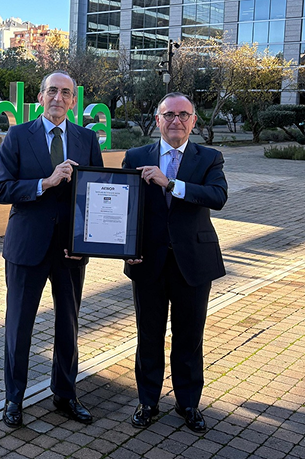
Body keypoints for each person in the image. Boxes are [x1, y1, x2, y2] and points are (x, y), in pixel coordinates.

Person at [0, 71, 104, 428]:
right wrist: (45, 182)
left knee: (69, 324)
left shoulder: (87, 139)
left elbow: (98, 193)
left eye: (65, 92)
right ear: (40, 97)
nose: (58, 97)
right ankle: (13, 398)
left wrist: (91, 240)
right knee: (19, 325)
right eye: (52, 90)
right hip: (27, 247)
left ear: (73, 101)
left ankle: (65, 394)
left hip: (71, 249)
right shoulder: (18, 136)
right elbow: (1, 189)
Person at [121, 92, 228, 433]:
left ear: (193, 121)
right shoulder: (135, 156)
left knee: (189, 336)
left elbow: (217, 196)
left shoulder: (209, 157)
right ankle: (148, 401)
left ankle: (188, 403)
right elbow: (125, 209)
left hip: (192, 263)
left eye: (183, 115)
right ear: (157, 120)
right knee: (148, 336)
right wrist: (125, 248)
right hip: (147, 261)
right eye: (168, 115)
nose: (176, 121)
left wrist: (172, 184)